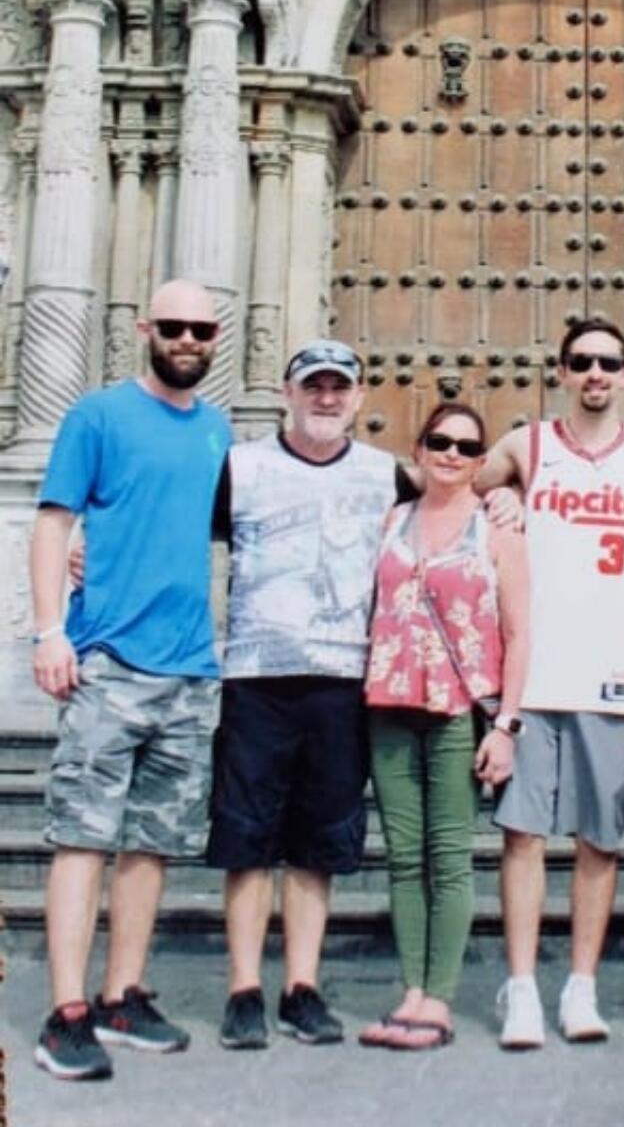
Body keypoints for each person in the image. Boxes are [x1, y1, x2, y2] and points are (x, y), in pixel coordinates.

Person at [29, 280, 230, 1082]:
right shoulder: (97, 416)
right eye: (173, 326)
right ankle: (65, 1011)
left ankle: (122, 994)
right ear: (144, 328)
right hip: (108, 660)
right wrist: (50, 630)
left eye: (201, 329)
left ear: (219, 336)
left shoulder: (218, 430)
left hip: (188, 669)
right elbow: (53, 522)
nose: (187, 339)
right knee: (82, 836)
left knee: (153, 844)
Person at [477, 318, 624, 1049]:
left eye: (608, 363)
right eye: (581, 362)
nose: (595, 373)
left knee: (600, 841)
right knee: (522, 835)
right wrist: (496, 505)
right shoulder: (525, 446)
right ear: (560, 372)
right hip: (531, 677)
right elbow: (449, 492)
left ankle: (580, 987)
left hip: (616, 675)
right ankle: (522, 987)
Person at [207, 340, 408, 1050]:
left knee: (318, 843)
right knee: (246, 837)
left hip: (341, 680)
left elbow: (449, 525)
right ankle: (241, 988)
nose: (326, 398)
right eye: (313, 386)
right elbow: (185, 537)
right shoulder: (241, 467)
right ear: (287, 392)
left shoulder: (387, 475)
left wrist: (504, 503)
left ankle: (302, 984)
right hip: (255, 679)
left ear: (358, 398)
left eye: (339, 388)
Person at [360, 403, 529, 1051]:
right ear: (419, 448)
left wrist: (507, 726)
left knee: (449, 858)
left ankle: (440, 998)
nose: (452, 454)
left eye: (466, 447)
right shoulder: (392, 520)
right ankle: (411, 989)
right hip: (389, 704)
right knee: (405, 859)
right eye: (440, 441)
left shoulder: (497, 531)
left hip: (460, 710)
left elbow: (519, 632)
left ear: (482, 463)